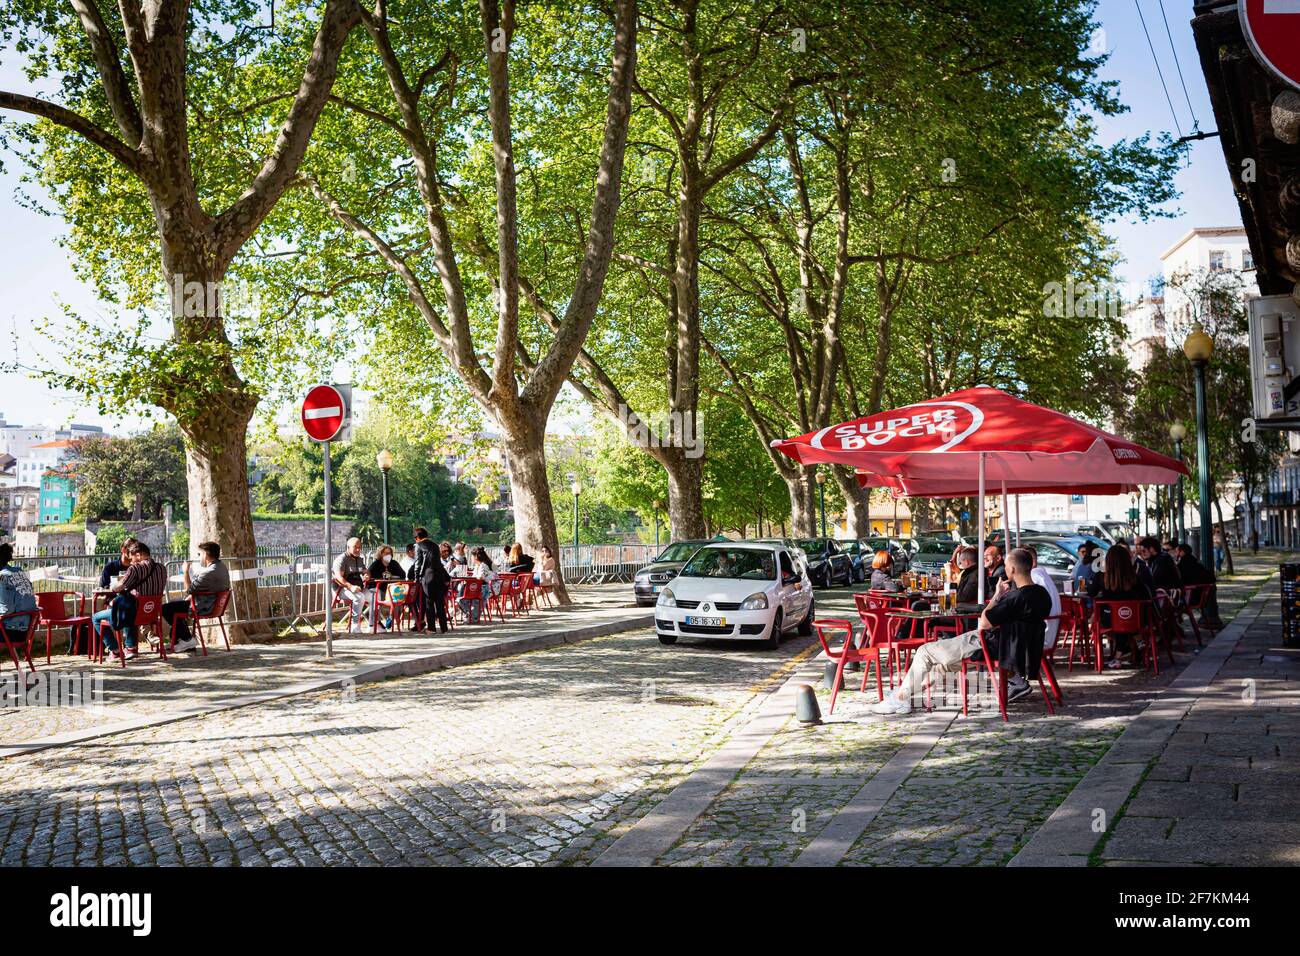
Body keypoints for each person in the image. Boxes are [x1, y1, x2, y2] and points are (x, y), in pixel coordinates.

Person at [873, 547, 1052, 715]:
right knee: (940, 666)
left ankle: (899, 698)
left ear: (1012, 569)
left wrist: (996, 597)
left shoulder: (1015, 597)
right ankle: (903, 696)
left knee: (924, 651)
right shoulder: (1042, 595)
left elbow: (983, 623)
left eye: (1006, 566)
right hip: (1020, 649)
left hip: (991, 645)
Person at [95, 542, 166, 658]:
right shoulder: (162, 568)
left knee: (96, 618)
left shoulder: (135, 568)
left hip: (133, 613)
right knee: (131, 605)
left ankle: (115, 650)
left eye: (132, 558)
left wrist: (115, 584)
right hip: (151, 613)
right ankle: (131, 648)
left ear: (138, 555)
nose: (131, 562)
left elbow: (117, 587)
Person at [1086, 542, 1152, 668]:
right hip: (1135, 619)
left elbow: (1091, 592)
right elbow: (1146, 596)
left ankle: (1118, 656)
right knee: (1125, 620)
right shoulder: (1134, 577)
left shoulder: (1101, 576)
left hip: (1109, 620)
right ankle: (1137, 640)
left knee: (1116, 621)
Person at [162, 541, 230, 652]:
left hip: (203, 607)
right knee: (175, 605)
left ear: (206, 555)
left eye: (200, 554)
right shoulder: (221, 567)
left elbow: (189, 590)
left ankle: (187, 639)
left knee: (166, 608)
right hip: (213, 604)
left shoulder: (208, 573)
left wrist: (185, 571)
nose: (199, 558)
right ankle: (179, 641)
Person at [411, 527, 449, 634]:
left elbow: (418, 563)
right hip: (439, 575)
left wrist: (416, 578)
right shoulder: (435, 545)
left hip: (428, 576)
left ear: (417, 538)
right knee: (440, 602)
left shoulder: (418, 545)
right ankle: (444, 628)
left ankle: (431, 628)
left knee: (429, 602)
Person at [0, 543, 37, 651]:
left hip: (12, 632)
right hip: (26, 630)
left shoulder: (3, 577)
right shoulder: (19, 572)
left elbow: (6, 610)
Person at [332, 537, 373, 629]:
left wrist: (367, 575)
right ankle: (355, 624)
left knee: (373, 597)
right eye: (355, 547)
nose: (358, 549)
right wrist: (350, 587)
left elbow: (366, 571)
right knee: (359, 597)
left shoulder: (359, 559)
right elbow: (338, 577)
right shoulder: (342, 559)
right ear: (348, 547)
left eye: (359, 547)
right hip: (341, 589)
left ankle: (372, 624)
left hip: (358, 588)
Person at [459, 547, 499, 622]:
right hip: (493, 588)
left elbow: (479, 578)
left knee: (464, 593)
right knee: (464, 590)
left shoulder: (483, 566)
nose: (471, 558)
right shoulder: (484, 564)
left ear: (475, 557)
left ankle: (471, 615)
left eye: (471, 556)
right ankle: (470, 614)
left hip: (488, 589)